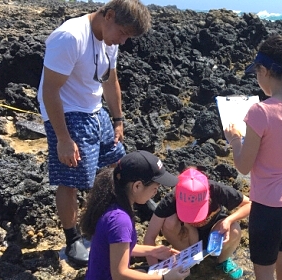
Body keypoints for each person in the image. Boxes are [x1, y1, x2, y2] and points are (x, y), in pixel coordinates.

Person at [36, 0, 152, 265]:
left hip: (94, 109)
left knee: (116, 164)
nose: (122, 42)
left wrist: (118, 119)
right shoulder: (70, 37)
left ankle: (127, 209)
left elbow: (111, 81)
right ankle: (73, 238)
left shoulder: (108, 41)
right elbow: (50, 91)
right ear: (108, 16)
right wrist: (63, 139)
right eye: (123, 33)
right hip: (66, 111)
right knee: (72, 177)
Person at [223, 34, 282, 280]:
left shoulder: (259, 112)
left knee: (264, 271)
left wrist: (234, 139)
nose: (256, 78)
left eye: (256, 73)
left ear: (264, 70)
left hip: (269, 207)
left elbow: (243, 166)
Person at [80, 150, 190, 280]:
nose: (155, 193)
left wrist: (154, 251)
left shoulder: (111, 205)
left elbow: (118, 248)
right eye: (155, 188)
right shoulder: (120, 220)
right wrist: (164, 278)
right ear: (137, 186)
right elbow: (120, 274)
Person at [144, 168, 251, 279]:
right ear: (177, 196)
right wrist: (156, 271)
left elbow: (249, 204)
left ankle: (222, 261)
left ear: (208, 195)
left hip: (213, 233)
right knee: (169, 221)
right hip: (186, 238)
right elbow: (149, 237)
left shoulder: (216, 189)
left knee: (234, 228)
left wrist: (229, 220)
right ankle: (185, 258)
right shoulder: (170, 200)